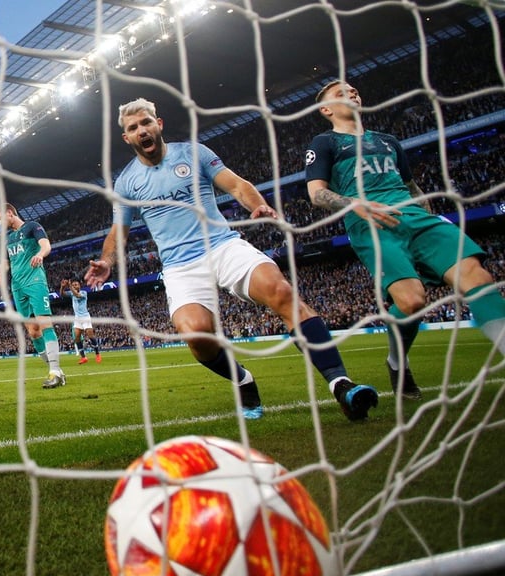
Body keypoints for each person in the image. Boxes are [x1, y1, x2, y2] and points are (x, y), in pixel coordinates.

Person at [85, 97, 379, 421]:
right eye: (133, 128)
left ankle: (341, 384)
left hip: (223, 246)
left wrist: (257, 204)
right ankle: (243, 380)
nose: (142, 130)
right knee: (196, 335)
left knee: (281, 291)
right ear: (126, 137)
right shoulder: (126, 182)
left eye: (146, 122)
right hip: (180, 266)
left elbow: (237, 185)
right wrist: (108, 262)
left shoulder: (193, 153)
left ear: (159, 124)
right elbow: (118, 232)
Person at [306, 80, 505, 400]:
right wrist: (357, 204)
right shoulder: (325, 142)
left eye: (355, 89)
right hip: (369, 222)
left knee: (477, 277)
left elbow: (411, 187)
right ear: (326, 110)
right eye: (341, 93)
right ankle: (397, 362)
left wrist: (428, 214)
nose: (352, 93)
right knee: (411, 301)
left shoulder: (388, 141)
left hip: (416, 218)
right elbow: (316, 194)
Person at [0, 203, 66, 389]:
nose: (0, 224)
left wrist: (41, 254)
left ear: (10, 213)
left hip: (34, 280)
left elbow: (46, 245)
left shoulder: (32, 226)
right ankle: (54, 369)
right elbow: (5, 261)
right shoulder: (7, 239)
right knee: (33, 330)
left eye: (0, 219)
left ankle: (55, 372)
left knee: (44, 323)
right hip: (17, 286)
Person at [59, 278, 102, 364]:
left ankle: (97, 354)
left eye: (76, 284)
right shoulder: (71, 293)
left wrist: (70, 286)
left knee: (90, 335)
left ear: (79, 286)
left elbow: (77, 295)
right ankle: (83, 357)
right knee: (77, 337)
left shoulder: (84, 293)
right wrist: (62, 287)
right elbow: (62, 294)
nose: (75, 286)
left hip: (85, 317)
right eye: (74, 284)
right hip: (77, 318)